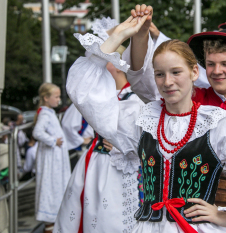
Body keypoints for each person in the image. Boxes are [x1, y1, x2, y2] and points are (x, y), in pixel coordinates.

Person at [66, 8, 226, 233]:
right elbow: (84, 94)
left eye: (176, 72)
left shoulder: (217, 122)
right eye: (160, 74)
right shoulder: (143, 120)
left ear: (193, 73)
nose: (167, 82)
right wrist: (118, 36)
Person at [54, 17, 144, 233]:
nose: (103, 62)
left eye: (109, 59)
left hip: (122, 170)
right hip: (95, 163)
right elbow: (80, 90)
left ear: (119, 65)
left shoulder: (136, 98)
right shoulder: (101, 95)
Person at [32, 83, 71, 233]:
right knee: (50, 187)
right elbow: (37, 132)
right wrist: (53, 141)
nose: (59, 100)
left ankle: (54, 219)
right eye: (56, 97)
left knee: (56, 187)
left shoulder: (48, 112)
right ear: (46, 98)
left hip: (55, 158)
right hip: (50, 159)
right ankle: (50, 221)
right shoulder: (44, 114)